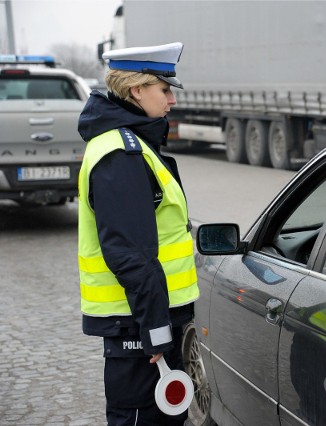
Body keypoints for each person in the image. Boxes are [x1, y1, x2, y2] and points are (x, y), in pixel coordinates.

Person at [76, 42, 199, 425]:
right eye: (164, 90)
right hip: (138, 326)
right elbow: (131, 254)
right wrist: (156, 331)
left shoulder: (133, 144)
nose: (171, 100)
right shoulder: (122, 154)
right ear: (136, 90)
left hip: (146, 319)